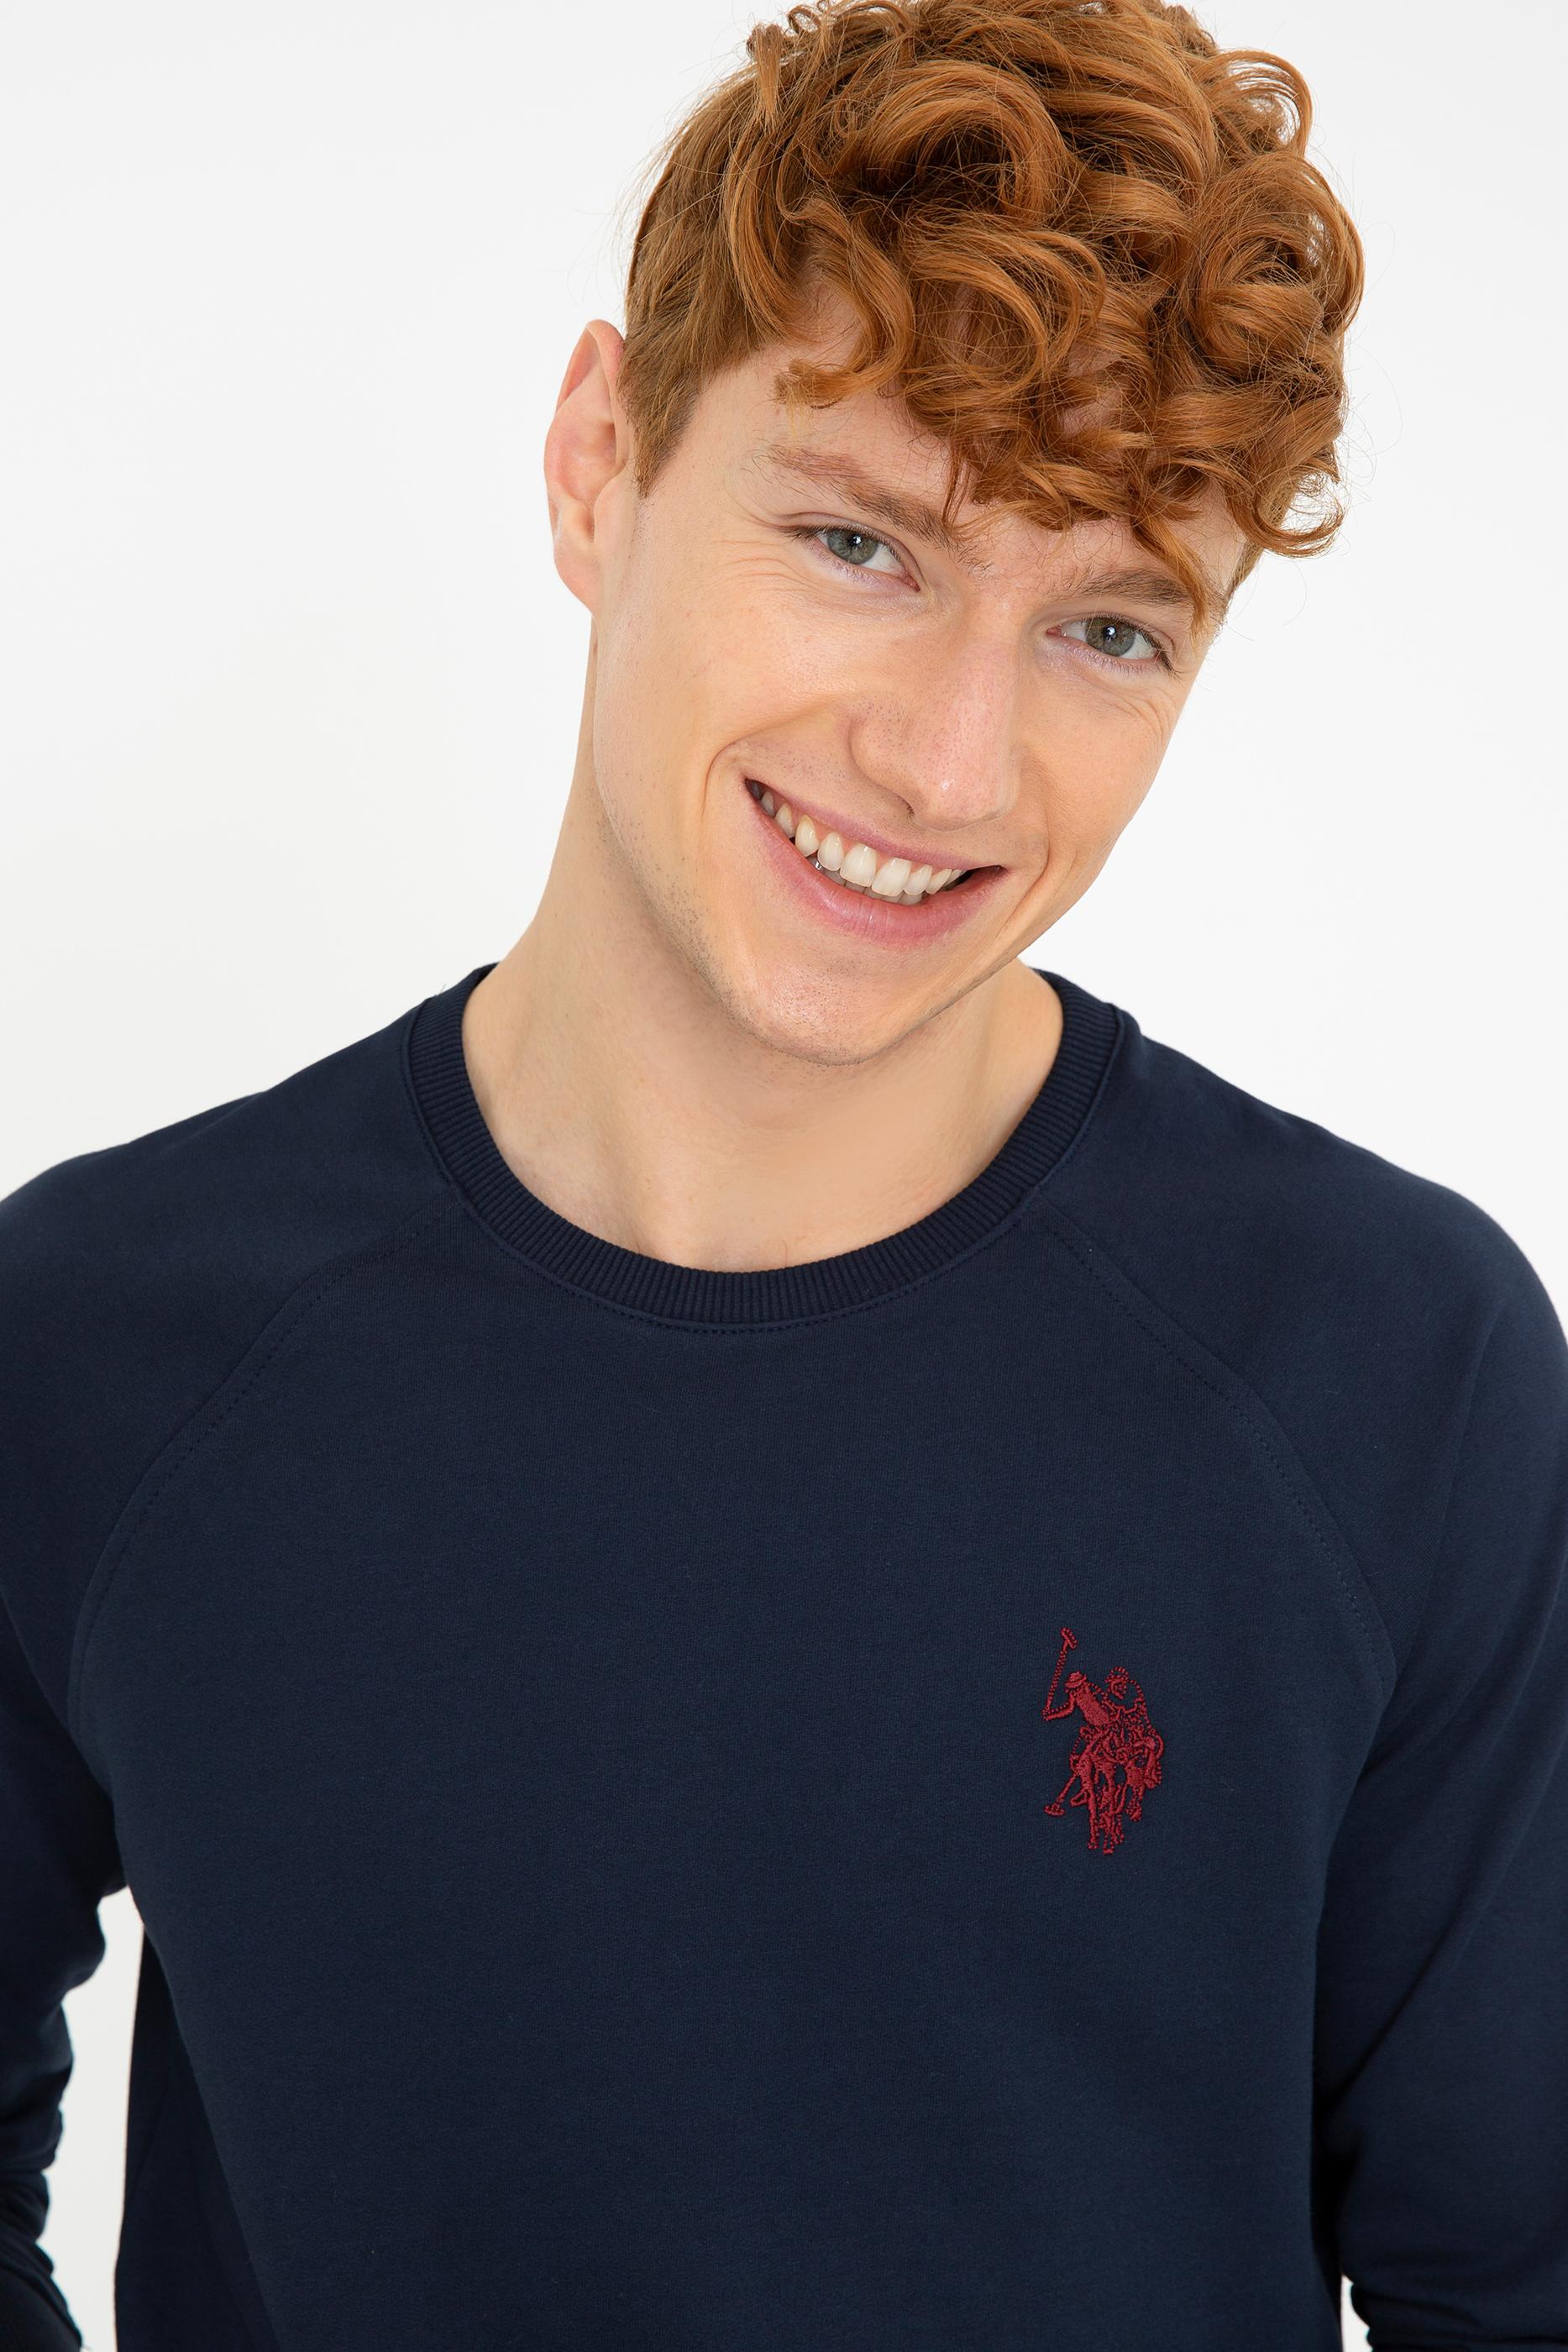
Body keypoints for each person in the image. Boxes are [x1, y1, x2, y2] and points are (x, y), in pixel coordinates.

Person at [2, 0, 1564, 2344]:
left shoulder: (1386, 1376)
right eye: (859, 542)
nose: (951, 766)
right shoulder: (103, 1344)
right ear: (597, 462)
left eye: (1108, 625)